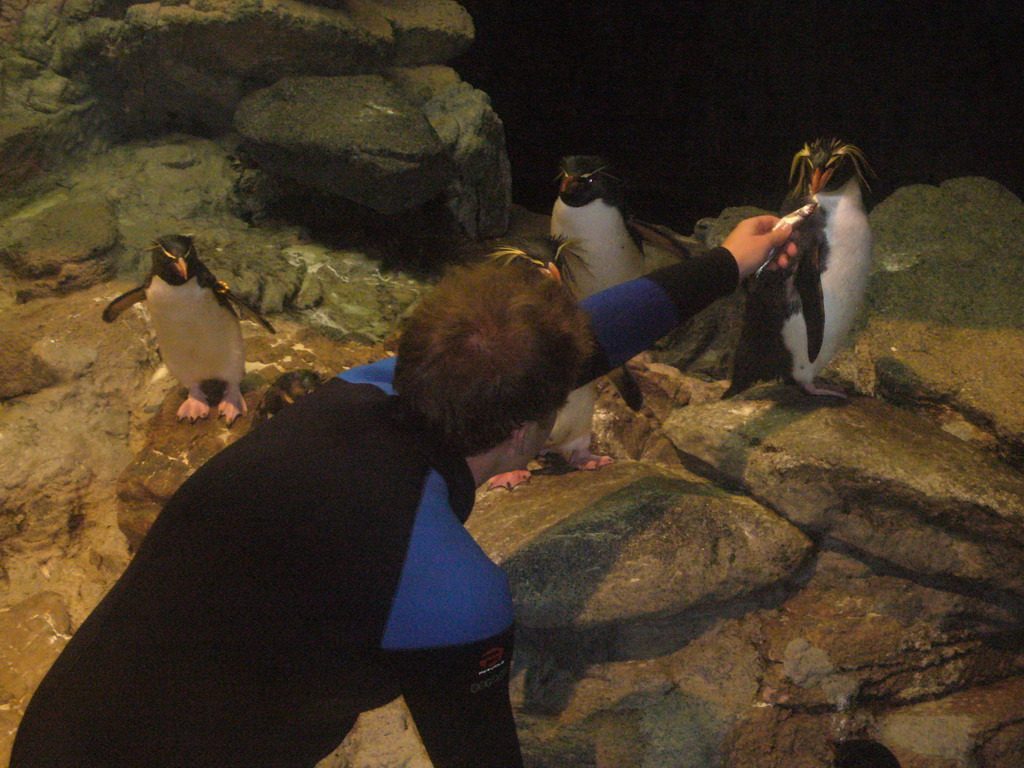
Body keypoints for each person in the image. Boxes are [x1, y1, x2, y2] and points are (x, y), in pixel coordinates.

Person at [9, 216, 795, 768]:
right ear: (529, 429)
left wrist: (727, 262)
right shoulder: (451, 591)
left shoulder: (357, 391)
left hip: (64, 731)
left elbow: (578, 338)